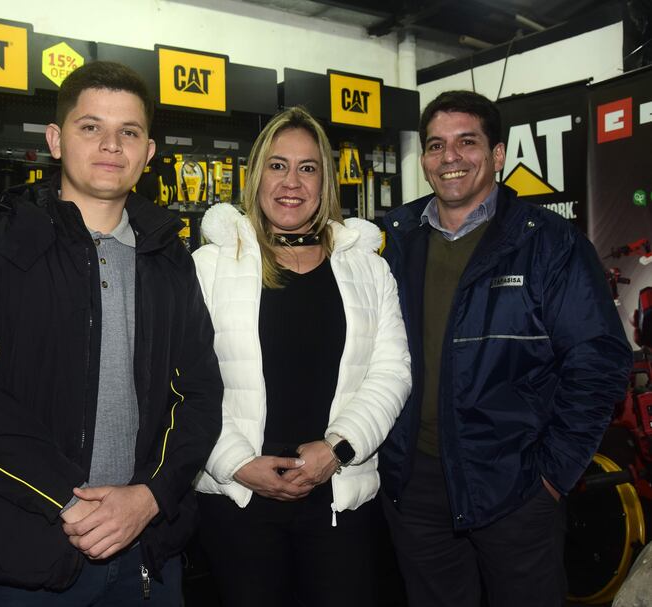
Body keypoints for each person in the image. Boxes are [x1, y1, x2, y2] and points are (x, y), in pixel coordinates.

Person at [0, 61, 223, 606]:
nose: (111, 145)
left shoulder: (169, 256)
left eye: (128, 132)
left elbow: (200, 394)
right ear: (56, 140)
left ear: (148, 152)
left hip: (147, 555)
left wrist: (151, 497)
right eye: (91, 127)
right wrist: (67, 500)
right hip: (24, 558)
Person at [379, 89, 632, 607]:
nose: (449, 157)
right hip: (415, 484)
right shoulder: (392, 239)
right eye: (435, 145)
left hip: (515, 486)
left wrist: (551, 476)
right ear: (424, 158)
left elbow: (598, 360)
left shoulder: (549, 242)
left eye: (466, 142)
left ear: (497, 155)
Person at [191, 106, 412, 607]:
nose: (292, 182)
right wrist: (235, 462)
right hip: (239, 500)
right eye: (277, 165)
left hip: (339, 498)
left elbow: (391, 372)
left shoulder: (367, 270)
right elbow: (182, 380)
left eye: (307, 167)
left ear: (325, 180)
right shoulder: (207, 268)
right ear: (256, 174)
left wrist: (337, 449)